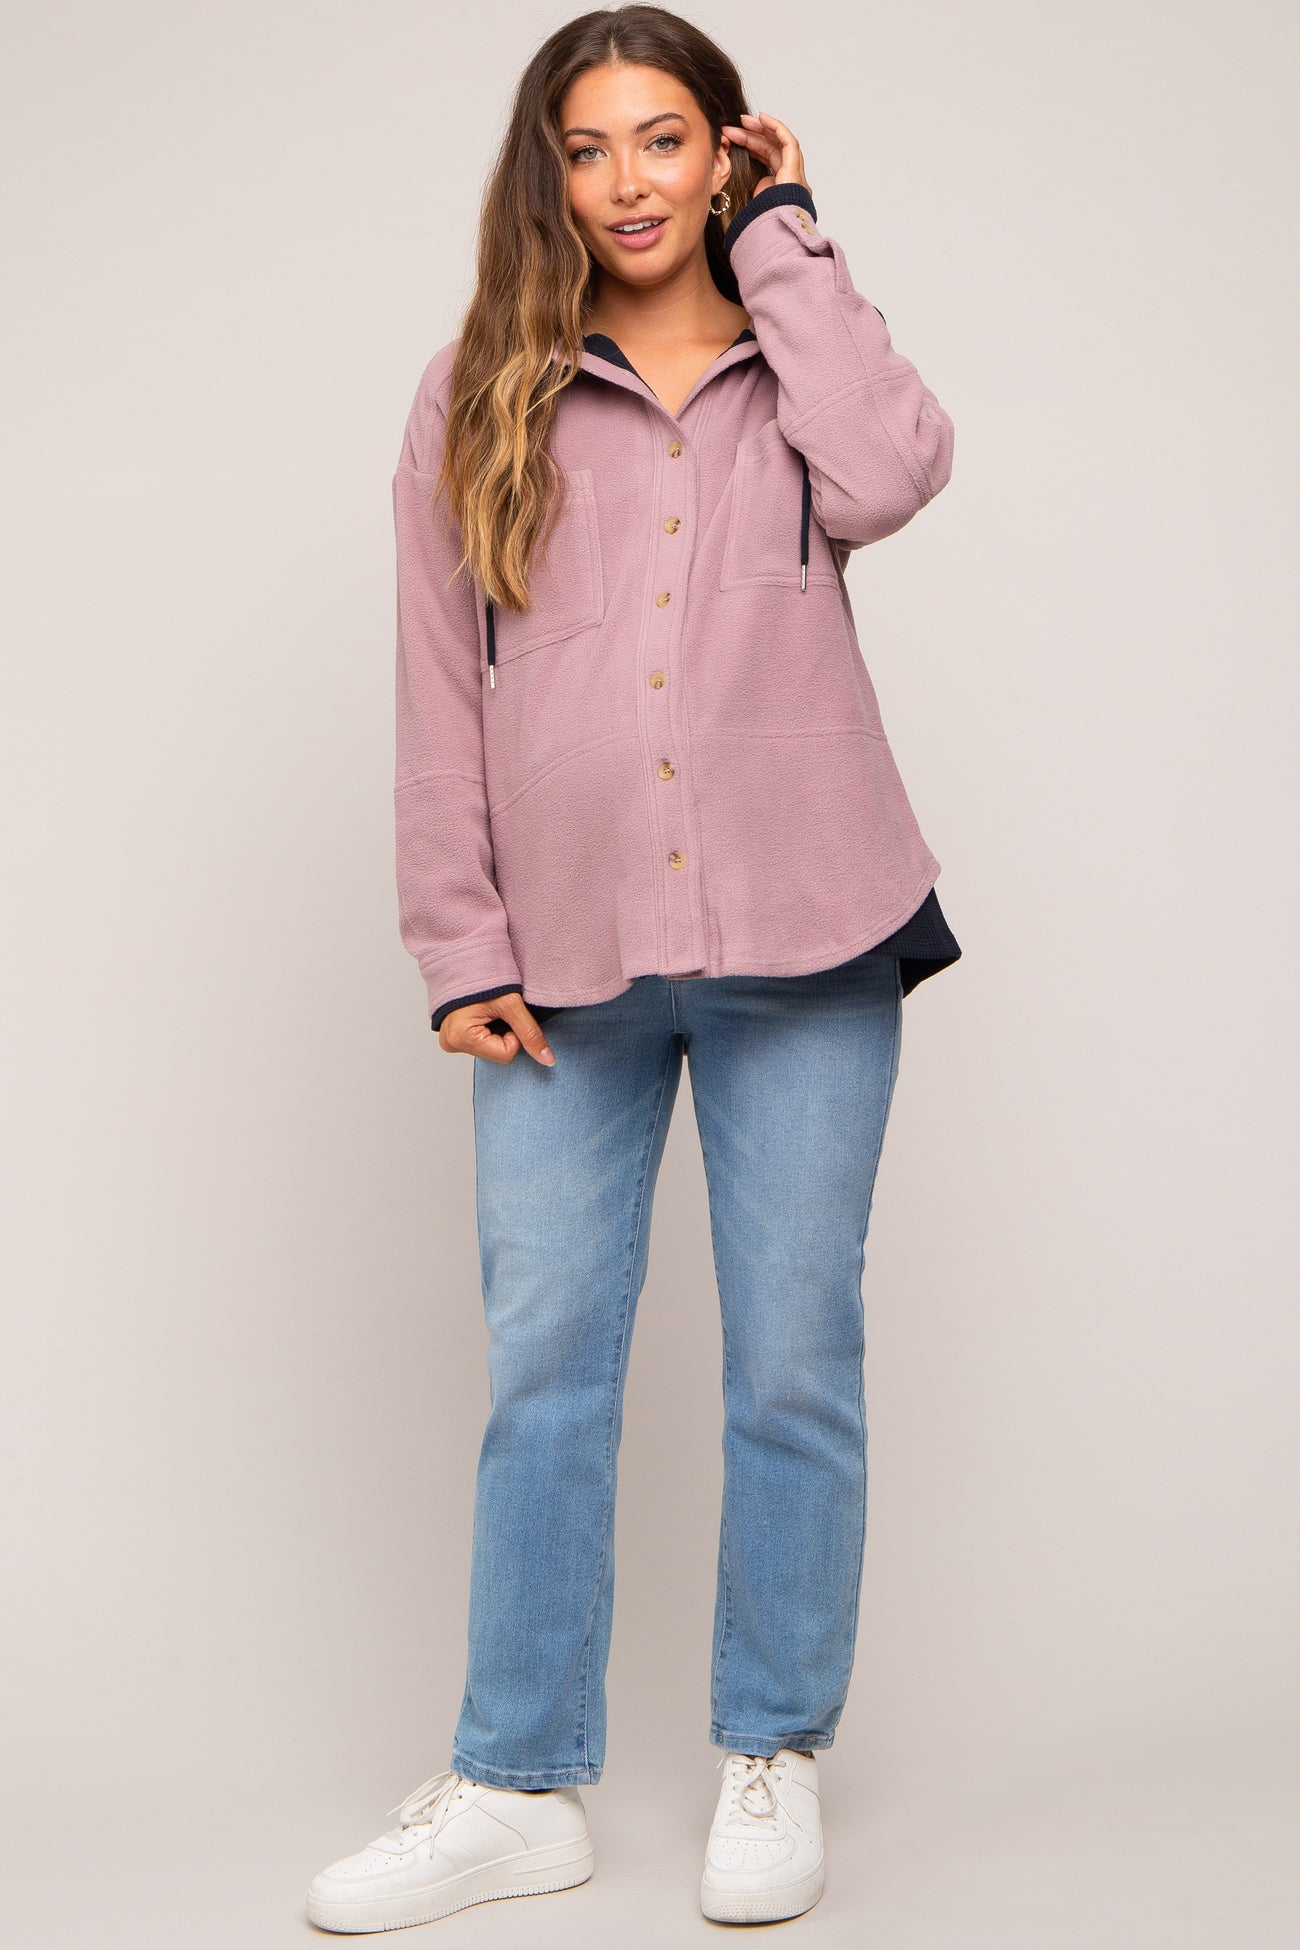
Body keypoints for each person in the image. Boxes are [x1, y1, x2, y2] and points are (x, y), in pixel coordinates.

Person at [307, 4, 960, 1933]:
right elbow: (439, 682)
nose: (626, 183)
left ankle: (774, 1747)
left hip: (810, 930)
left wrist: (793, 238)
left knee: (795, 1363)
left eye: (664, 139)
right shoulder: (475, 391)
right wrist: (457, 943)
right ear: (550, 176)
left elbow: (894, 476)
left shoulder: (797, 359)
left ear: (723, 149)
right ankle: (518, 1781)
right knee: (545, 1371)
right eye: (587, 149)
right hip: (562, 961)